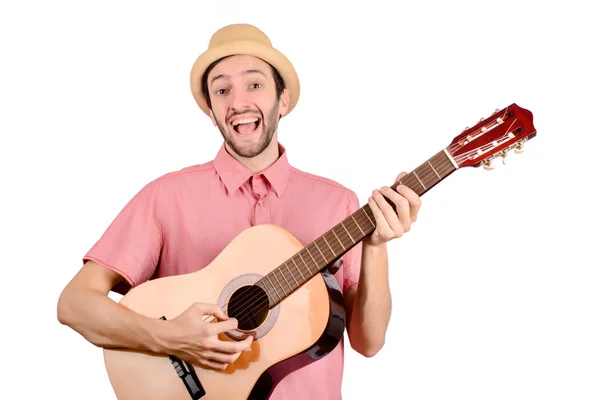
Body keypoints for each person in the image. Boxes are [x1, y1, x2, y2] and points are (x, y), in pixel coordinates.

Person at [57, 23, 422, 399]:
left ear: (282, 100)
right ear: (212, 112)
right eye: (222, 90)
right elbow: (75, 303)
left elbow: (369, 342)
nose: (238, 102)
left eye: (255, 84)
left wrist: (376, 245)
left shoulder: (338, 204)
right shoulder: (166, 197)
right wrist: (171, 337)